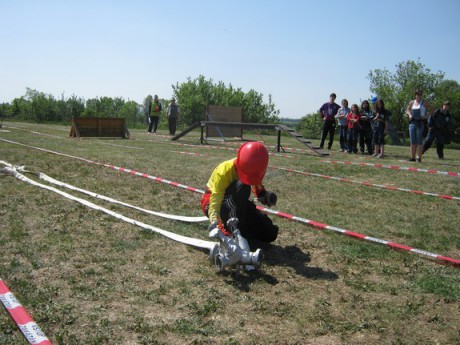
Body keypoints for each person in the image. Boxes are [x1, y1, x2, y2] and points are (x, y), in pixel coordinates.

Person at [201, 141, 279, 245]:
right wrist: (216, 223)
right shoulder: (224, 171)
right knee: (243, 187)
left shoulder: (253, 168)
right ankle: (231, 230)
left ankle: (240, 229)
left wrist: (265, 195)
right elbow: (215, 200)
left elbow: (256, 183)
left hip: (236, 205)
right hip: (212, 203)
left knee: (270, 232)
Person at [406, 90, 434, 162]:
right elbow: (408, 110)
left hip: (420, 123)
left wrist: (427, 116)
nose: (419, 95)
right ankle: (412, 157)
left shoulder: (424, 102)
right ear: (415, 95)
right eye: (418, 94)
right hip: (412, 123)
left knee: (419, 141)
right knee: (412, 141)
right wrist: (409, 115)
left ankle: (419, 157)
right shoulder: (412, 102)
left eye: (420, 94)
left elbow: (432, 109)